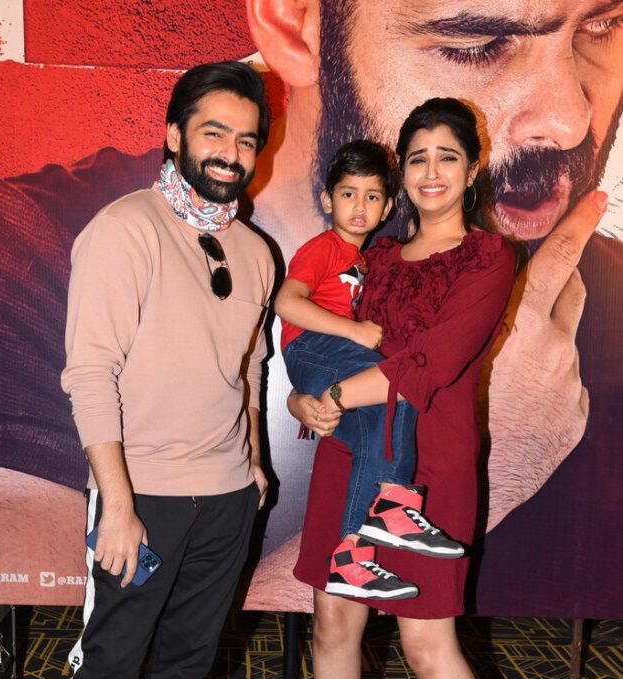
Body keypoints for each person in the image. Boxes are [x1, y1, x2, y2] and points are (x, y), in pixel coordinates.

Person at [245, 0, 621, 617]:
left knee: (426, 641)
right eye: (476, 43)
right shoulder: (67, 241)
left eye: (600, 27)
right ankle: (385, 517)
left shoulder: (575, 285)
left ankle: (389, 513)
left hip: (409, 464)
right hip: (349, 438)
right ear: (294, 24)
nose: (570, 122)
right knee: (337, 628)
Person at [10, 61, 275, 679]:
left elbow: (246, 369)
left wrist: (255, 462)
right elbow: (90, 372)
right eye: (213, 132)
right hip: (143, 498)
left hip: (226, 498)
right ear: (173, 135)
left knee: (187, 666)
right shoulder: (124, 231)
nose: (230, 151)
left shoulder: (255, 252)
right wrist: (116, 503)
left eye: (245, 138)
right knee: (108, 669)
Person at [289, 98, 517, 679]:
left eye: (447, 156)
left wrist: (331, 395)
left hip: (432, 470)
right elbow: (323, 337)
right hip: (352, 454)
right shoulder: (378, 257)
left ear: (472, 169)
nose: (430, 171)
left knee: (426, 644)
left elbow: (429, 366)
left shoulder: (487, 259)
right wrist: (304, 399)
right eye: (417, 157)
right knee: (332, 623)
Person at [277, 139, 465, 600]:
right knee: (396, 381)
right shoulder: (324, 248)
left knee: (372, 441)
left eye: (372, 196)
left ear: (387, 208)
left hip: (328, 360)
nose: (360, 207)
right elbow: (286, 302)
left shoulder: (366, 259)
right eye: (348, 194)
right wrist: (353, 330)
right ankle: (394, 504)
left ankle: (351, 557)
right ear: (327, 200)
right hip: (312, 350)